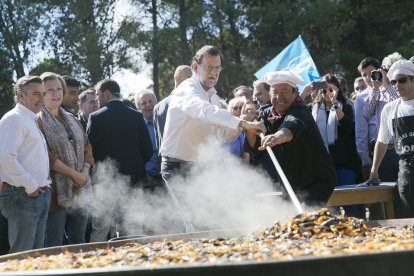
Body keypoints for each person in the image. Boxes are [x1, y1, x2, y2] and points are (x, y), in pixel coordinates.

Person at [159, 45, 265, 231]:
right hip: (176, 166)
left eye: (217, 68)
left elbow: (223, 135)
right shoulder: (186, 88)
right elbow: (202, 111)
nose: (213, 73)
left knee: (209, 221)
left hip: (199, 168)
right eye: (209, 67)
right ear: (195, 68)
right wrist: (242, 124)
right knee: (193, 224)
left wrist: (243, 121)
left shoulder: (213, 97)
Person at [245, 71, 336, 205]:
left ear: (295, 93)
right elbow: (254, 146)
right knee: (292, 220)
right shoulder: (266, 113)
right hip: (290, 180)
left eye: (284, 92)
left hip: (316, 180)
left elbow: (289, 129)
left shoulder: (300, 111)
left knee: (308, 219)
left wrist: (277, 137)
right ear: (269, 94)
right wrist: (249, 124)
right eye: (275, 92)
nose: (279, 97)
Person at [87, 79, 153, 241]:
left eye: (98, 94)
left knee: (101, 229)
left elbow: (89, 151)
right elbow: (148, 150)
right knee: (132, 229)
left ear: (107, 93)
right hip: (133, 180)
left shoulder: (95, 118)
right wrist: (133, 166)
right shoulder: (137, 116)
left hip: (104, 182)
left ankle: (96, 263)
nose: (97, 99)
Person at [37, 72, 94, 247]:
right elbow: (47, 156)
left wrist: (83, 173)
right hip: (55, 193)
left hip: (81, 188)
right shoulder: (37, 120)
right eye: (49, 90)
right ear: (41, 94)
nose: (56, 94)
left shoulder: (72, 118)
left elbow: (87, 146)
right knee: (54, 242)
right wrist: (74, 175)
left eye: (59, 89)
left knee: (79, 240)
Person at [0, 76, 51, 253]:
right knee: (22, 259)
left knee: (35, 259)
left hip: (36, 194)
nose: (42, 99)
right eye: (36, 94)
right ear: (20, 96)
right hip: (22, 195)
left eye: (43, 94)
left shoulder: (30, 119)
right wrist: (30, 185)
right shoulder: (14, 119)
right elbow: (5, 158)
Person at [368, 60, 414, 218]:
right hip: (406, 170)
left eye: (402, 80)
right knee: (407, 219)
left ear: (413, 79)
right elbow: (382, 141)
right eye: (394, 81)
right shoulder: (390, 109)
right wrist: (374, 170)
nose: (397, 85)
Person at [354, 57, 399, 181]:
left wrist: (385, 85)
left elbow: (399, 103)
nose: (368, 78)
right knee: (386, 194)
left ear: (380, 71)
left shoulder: (395, 87)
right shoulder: (364, 96)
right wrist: (375, 90)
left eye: (372, 73)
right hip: (381, 151)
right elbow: (367, 113)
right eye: (364, 75)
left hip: (399, 148)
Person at [153, 65, 192, 151]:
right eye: (189, 79)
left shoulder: (158, 107)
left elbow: (159, 145)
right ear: (177, 78)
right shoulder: (190, 103)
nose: (193, 83)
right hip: (186, 161)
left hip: (166, 161)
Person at [135, 90, 162, 188]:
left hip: (169, 177)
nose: (148, 105)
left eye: (151, 101)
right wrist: (145, 176)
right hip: (148, 180)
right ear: (138, 108)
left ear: (157, 103)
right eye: (144, 103)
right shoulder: (137, 128)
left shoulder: (166, 123)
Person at [223, 96, 250, 162]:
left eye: (241, 107)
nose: (238, 110)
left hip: (238, 168)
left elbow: (246, 156)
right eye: (235, 108)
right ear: (230, 110)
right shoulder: (223, 127)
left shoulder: (249, 128)